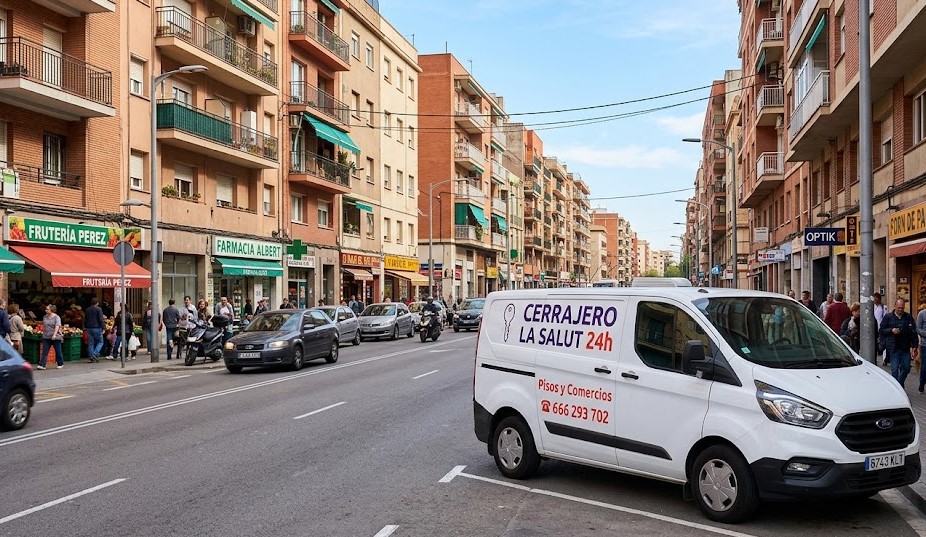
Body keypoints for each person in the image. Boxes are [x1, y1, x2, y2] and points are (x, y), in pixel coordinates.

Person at [879, 298, 917, 388]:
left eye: (902, 308)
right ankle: (897, 388)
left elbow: (913, 332)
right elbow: (881, 330)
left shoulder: (908, 317)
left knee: (906, 368)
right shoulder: (888, 317)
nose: (900, 310)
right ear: (895, 306)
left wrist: (914, 346)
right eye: (899, 308)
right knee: (894, 370)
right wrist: (891, 330)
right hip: (893, 347)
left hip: (905, 347)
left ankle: (899, 384)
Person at [37, 304, 64, 370]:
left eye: (47, 309)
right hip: (46, 336)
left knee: (58, 350)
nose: (46, 310)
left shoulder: (57, 317)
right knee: (45, 351)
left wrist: (54, 335)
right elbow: (44, 325)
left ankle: (60, 363)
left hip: (55, 336)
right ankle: (42, 365)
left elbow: (57, 326)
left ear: (52, 310)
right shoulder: (45, 317)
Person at [84, 297, 105, 363]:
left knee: (91, 343)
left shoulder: (87, 310)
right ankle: (95, 353)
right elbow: (101, 319)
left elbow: (85, 319)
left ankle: (91, 356)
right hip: (97, 327)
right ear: (97, 303)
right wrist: (103, 327)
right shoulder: (99, 309)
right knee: (100, 341)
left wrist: (85, 327)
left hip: (89, 328)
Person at [916, 303, 926, 393]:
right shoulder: (922, 314)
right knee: (924, 366)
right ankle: (922, 384)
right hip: (924, 344)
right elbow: (918, 328)